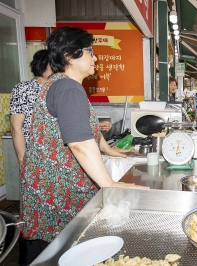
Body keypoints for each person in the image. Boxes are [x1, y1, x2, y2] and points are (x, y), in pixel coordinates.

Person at [19, 26, 148, 265]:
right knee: (59, 253)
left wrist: (109, 150)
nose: (95, 57)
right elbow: (78, 143)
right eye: (89, 51)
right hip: (57, 191)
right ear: (69, 56)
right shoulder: (68, 88)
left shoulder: (58, 84)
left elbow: (83, 130)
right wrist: (110, 185)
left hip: (49, 187)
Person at [10, 50, 52, 165]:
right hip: (34, 158)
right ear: (40, 65)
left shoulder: (57, 89)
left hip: (57, 158)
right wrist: (22, 160)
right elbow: (15, 127)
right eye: (52, 63)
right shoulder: (23, 89)